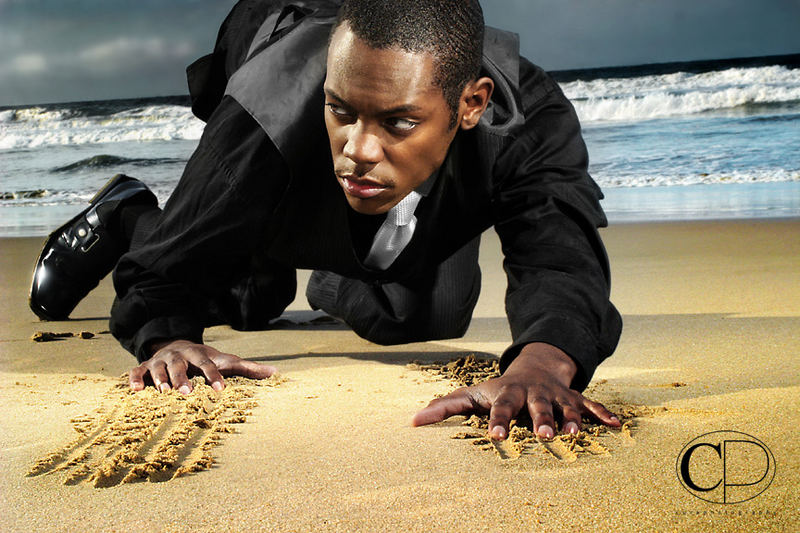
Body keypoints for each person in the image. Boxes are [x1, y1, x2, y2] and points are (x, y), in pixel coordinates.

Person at [30, 0, 623, 441]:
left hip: (415, 130)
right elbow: (162, 275)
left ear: (473, 104)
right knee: (245, 291)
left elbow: (558, 251)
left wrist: (544, 362)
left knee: (429, 315)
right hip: (273, 60)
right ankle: (129, 213)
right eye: (342, 112)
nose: (359, 151)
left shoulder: (530, 118)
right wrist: (165, 335)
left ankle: (325, 263)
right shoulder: (268, 109)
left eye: (398, 123)